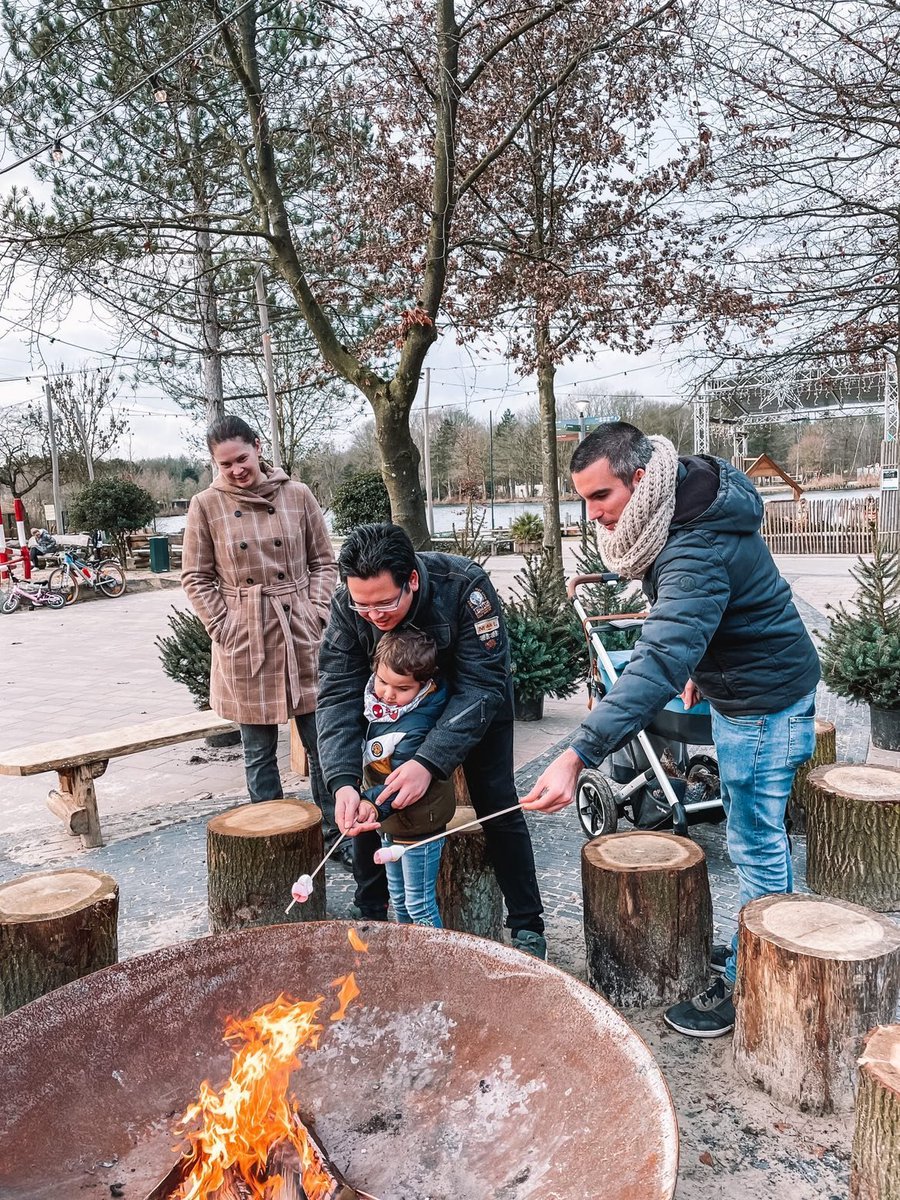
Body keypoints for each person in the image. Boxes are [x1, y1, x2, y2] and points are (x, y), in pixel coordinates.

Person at [522, 422, 820, 1035]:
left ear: (638, 480)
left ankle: (755, 984)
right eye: (583, 499)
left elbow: (658, 658)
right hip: (744, 684)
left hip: (763, 702)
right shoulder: (681, 499)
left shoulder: (692, 543)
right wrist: (701, 660)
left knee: (755, 842)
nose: (593, 513)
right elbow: (698, 616)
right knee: (751, 834)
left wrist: (579, 752)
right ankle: (757, 947)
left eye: (601, 496)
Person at [316, 522, 547, 958]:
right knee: (367, 798)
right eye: (363, 606)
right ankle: (371, 910)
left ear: (413, 580)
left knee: (497, 800)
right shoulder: (352, 605)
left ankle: (527, 924)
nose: (374, 615)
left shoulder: (464, 587)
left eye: (384, 603)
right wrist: (341, 780)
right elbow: (337, 689)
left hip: (472, 702)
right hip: (391, 705)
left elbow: (483, 683)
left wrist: (429, 761)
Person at [181, 416, 344, 860]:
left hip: (301, 631)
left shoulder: (298, 494)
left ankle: (335, 836)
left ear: (257, 447)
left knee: (322, 742)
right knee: (257, 751)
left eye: (242, 458)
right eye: (224, 463)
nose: (236, 469)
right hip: (245, 635)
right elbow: (195, 577)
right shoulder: (206, 505)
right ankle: (272, 842)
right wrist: (224, 625)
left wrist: (317, 611)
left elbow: (324, 562)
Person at [356, 628, 454, 926]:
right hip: (391, 821)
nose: (388, 693)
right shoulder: (380, 708)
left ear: (423, 686)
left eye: (401, 689)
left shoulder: (417, 724)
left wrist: (369, 804)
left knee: (419, 903)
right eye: (383, 682)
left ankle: (431, 965)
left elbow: (398, 786)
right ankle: (404, 958)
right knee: (397, 898)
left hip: (418, 825)